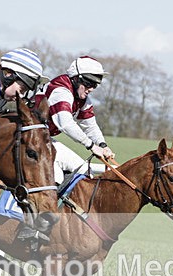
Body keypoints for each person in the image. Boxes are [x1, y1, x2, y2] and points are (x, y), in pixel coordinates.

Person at [35, 55, 115, 184]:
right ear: (76, 79)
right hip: (28, 138)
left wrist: (102, 145)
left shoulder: (82, 98)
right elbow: (66, 124)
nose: (92, 89)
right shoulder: (60, 90)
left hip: (43, 138)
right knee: (57, 178)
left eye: (95, 85)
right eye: (89, 83)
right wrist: (91, 146)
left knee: (85, 172)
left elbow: (90, 125)